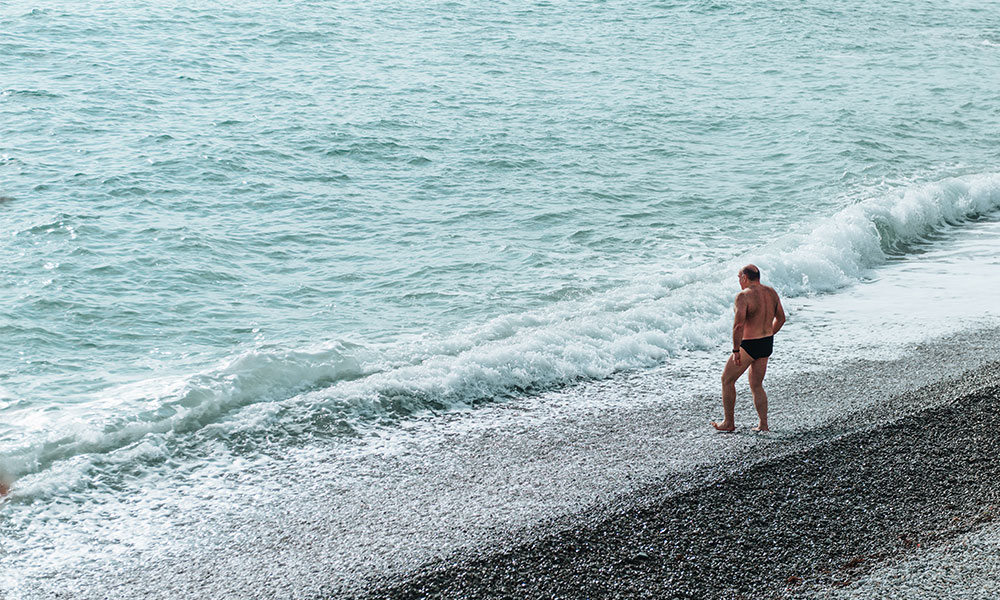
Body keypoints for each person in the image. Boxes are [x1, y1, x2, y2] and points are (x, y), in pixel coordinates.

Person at [711, 264, 785, 433]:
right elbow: (781, 318)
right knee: (757, 385)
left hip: (749, 345)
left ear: (744, 278)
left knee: (727, 380)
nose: (739, 281)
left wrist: (736, 350)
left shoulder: (743, 296)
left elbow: (738, 326)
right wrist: (768, 334)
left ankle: (728, 422)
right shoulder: (771, 292)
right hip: (766, 343)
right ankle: (763, 424)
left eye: (739, 278)